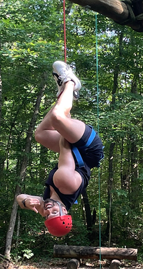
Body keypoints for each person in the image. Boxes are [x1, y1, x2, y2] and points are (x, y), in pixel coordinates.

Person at [16, 60, 104, 237]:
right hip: (88, 149)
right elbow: (66, 143)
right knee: (58, 117)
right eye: (54, 213)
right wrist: (65, 121)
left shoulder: (50, 201)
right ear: (65, 209)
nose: (48, 211)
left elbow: (19, 198)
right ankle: (71, 83)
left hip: (75, 154)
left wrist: (27, 202)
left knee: (40, 134)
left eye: (47, 216)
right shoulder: (65, 183)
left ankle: (64, 93)